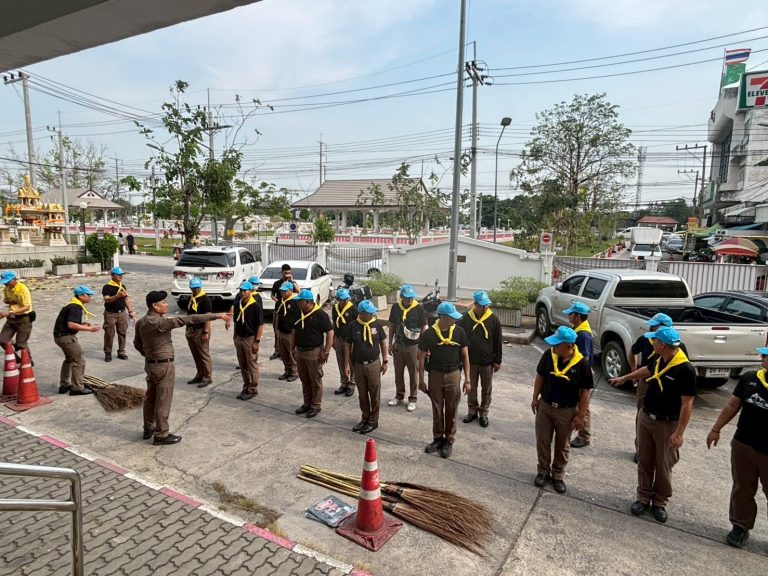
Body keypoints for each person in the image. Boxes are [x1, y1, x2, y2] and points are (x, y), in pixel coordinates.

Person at [609, 326, 696, 523]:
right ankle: (643, 497)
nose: (652, 342)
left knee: (663, 464)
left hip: (667, 424)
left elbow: (687, 403)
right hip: (647, 417)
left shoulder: (685, 369)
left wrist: (679, 433)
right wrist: (625, 377)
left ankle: (660, 502)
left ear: (662, 344)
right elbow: (647, 370)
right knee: (645, 459)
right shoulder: (659, 358)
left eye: (654, 340)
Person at [133, 290, 229, 446]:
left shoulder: (141, 322)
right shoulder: (159, 323)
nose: (166, 305)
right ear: (155, 306)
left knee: (150, 397)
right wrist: (216, 315)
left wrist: (149, 355)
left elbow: (137, 344)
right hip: (163, 365)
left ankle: (148, 428)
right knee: (163, 399)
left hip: (150, 365)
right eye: (163, 302)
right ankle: (161, 434)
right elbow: (189, 319)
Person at [706, 346, 768, 549]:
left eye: (766, 356)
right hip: (743, 444)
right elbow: (732, 405)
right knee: (742, 488)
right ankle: (740, 526)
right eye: (763, 355)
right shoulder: (750, 378)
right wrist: (716, 429)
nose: (762, 358)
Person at [531, 326, 593, 494]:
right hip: (546, 406)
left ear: (568, 346)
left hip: (567, 410)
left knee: (562, 444)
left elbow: (585, 392)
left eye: (557, 344)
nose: (554, 347)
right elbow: (540, 376)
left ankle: (558, 474)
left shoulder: (582, 365)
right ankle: (542, 471)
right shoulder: (549, 356)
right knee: (543, 440)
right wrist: (535, 398)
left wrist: (581, 415)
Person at [628, 313, 685, 462]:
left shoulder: (677, 346)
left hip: (666, 387)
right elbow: (633, 353)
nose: (651, 327)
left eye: (655, 325)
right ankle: (640, 449)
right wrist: (633, 372)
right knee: (642, 415)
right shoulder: (646, 339)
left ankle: (660, 451)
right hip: (646, 383)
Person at [417, 302, 470, 459]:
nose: (455, 320)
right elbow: (420, 357)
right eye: (452, 317)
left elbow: (465, 356)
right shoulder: (429, 334)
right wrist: (420, 379)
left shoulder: (459, 332)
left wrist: (468, 379)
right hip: (435, 375)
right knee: (437, 408)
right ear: (443, 317)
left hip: (453, 374)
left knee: (452, 408)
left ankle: (449, 440)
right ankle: (438, 438)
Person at [458, 290, 502, 428]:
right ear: (475, 304)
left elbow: (498, 341)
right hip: (470, 361)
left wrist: (497, 360)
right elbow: (460, 338)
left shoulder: (493, 319)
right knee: (471, 387)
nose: (484, 308)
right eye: (481, 305)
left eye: (486, 305)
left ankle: (484, 412)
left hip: (487, 361)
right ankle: (472, 410)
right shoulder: (466, 318)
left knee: (486, 388)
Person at [345, 300, 388, 434]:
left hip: (373, 364)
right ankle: (364, 418)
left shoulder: (376, 324)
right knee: (362, 394)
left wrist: (385, 360)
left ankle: (373, 421)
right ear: (362, 313)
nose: (372, 314)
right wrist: (347, 363)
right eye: (369, 313)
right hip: (358, 365)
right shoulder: (353, 326)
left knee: (374, 393)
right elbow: (348, 345)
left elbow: (383, 342)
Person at [291, 289, 334, 418]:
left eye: (300, 301)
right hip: (300, 351)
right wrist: (292, 348)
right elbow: (294, 331)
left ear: (308, 302)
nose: (298, 303)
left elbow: (330, 333)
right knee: (305, 379)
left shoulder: (320, 315)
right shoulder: (298, 313)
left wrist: (326, 351)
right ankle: (306, 403)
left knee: (315, 380)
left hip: (314, 352)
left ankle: (316, 405)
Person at [53, 285, 100, 396]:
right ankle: (77, 388)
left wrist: (82, 324)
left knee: (69, 359)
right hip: (66, 337)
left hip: (59, 336)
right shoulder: (75, 307)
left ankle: (64, 385)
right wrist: (90, 329)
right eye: (88, 295)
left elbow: (68, 322)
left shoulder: (72, 304)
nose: (90, 297)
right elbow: (71, 324)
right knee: (79, 361)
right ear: (80, 296)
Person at [387, 284, 427, 412]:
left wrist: (423, 345)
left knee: (413, 373)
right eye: (407, 297)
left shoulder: (418, 308)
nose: (409, 299)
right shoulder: (395, 307)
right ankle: (399, 396)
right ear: (401, 296)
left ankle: (413, 398)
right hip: (399, 344)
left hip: (413, 346)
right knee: (398, 372)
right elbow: (392, 325)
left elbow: (424, 326)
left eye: (411, 297)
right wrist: (390, 343)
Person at [563, 302, 594, 449]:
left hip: (580, 377)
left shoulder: (583, 335)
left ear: (577, 316)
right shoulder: (578, 330)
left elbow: (584, 359)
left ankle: (584, 436)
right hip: (575, 374)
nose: (568, 315)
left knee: (583, 405)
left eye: (571, 313)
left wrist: (578, 378)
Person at [233, 281, 264, 401]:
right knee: (243, 364)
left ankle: (253, 388)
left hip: (250, 338)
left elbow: (260, 325)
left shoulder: (255, 306)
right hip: (240, 337)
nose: (242, 293)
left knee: (252, 364)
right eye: (241, 290)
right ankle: (246, 386)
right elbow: (236, 321)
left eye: (245, 290)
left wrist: (257, 341)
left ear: (251, 291)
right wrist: (235, 336)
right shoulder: (238, 304)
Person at [102, 266, 135, 362]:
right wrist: (117, 296)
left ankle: (121, 351)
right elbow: (107, 299)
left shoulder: (122, 286)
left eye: (121, 275)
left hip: (122, 313)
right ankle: (108, 353)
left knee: (122, 333)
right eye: (118, 275)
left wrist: (130, 311)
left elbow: (126, 299)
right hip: (110, 314)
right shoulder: (107, 287)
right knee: (109, 334)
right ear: (112, 275)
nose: (121, 277)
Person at [185, 277, 213, 387]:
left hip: (201, 330)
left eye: (197, 288)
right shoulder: (192, 298)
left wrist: (205, 332)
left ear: (200, 287)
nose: (195, 290)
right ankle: (199, 373)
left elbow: (208, 317)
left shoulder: (205, 299)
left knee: (203, 354)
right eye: (193, 288)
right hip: (191, 329)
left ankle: (207, 376)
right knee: (195, 354)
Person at [0, 271, 33, 358]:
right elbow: (7, 300)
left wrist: (9, 312)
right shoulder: (6, 289)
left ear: (14, 279)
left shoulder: (23, 288)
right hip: (11, 318)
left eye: (8, 282)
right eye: (4, 283)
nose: (6, 284)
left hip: (23, 319)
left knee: (21, 343)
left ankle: (28, 362)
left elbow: (27, 307)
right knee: (2, 340)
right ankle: (15, 358)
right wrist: (7, 301)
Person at [270, 264, 300, 360]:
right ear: (282, 272)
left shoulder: (291, 283)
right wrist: (278, 301)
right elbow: (272, 295)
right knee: (277, 330)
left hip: (290, 310)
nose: (287, 274)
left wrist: (292, 280)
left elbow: (298, 291)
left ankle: (287, 352)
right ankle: (277, 350)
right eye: (286, 273)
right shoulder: (277, 283)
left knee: (288, 332)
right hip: (279, 309)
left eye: (289, 273)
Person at [332, 288, 357, 397]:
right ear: (337, 299)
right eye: (342, 299)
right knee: (341, 361)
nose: (344, 301)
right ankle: (344, 382)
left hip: (350, 340)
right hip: (339, 338)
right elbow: (334, 323)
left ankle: (352, 383)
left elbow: (357, 326)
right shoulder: (335, 308)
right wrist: (333, 338)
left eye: (346, 299)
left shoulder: (353, 309)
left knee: (351, 362)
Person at [275, 282, 299, 382]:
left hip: (290, 333)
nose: (282, 292)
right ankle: (287, 370)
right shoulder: (281, 301)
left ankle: (294, 372)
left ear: (290, 290)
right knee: (283, 353)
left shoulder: (295, 301)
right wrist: (276, 329)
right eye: (281, 291)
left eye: (285, 291)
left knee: (291, 353)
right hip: (281, 331)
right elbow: (277, 316)